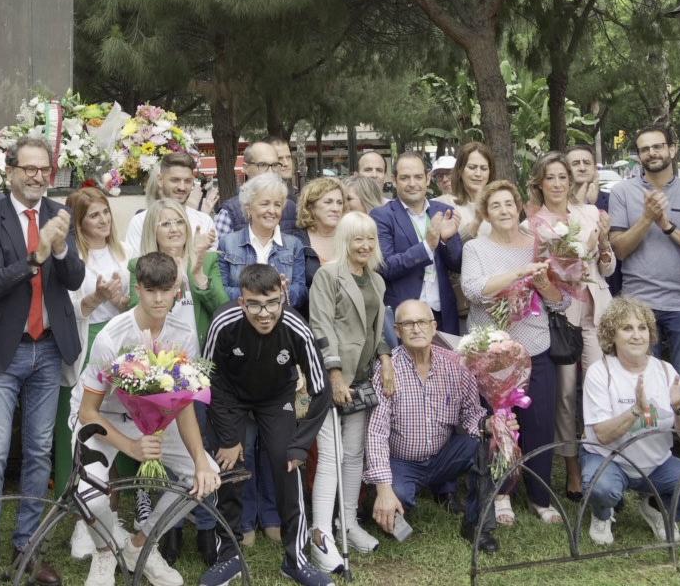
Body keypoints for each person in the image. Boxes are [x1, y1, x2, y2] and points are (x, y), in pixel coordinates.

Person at [0, 136, 85, 586]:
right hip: (3, 349)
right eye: (29, 169)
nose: (37, 177)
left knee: (38, 451)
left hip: (50, 349)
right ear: (10, 171)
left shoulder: (59, 215)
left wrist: (58, 249)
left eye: (44, 170)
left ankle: (28, 547)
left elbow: (73, 278)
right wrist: (37, 256)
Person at [77, 251, 221, 586]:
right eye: (150, 290)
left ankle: (139, 545)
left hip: (156, 422)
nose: (158, 298)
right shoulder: (113, 336)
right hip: (103, 420)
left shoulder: (184, 333)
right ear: (138, 289)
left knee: (204, 476)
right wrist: (130, 446)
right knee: (92, 496)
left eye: (165, 290)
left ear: (176, 290)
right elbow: (88, 412)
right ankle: (103, 551)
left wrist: (200, 459)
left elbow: (183, 404)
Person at [201, 264, 334, 586]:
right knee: (229, 470)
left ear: (283, 297)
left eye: (273, 302)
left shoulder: (295, 326)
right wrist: (229, 438)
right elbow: (206, 378)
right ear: (242, 302)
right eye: (255, 305)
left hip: (277, 399)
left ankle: (296, 560)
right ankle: (228, 556)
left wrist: (301, 443)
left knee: (288, 464)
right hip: (230, 396)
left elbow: (322, 390)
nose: (265, 313)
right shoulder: (223, 321)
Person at [460, 180, 567, 526]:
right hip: (493, 355)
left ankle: (539, 495)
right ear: (485, 213)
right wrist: (517, 274)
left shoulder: (540, 245)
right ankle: (502, 492)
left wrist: (542, 283)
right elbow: (474, 291)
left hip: (535, 347)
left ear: (519, 207)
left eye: (509, 204)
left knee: (539, 424)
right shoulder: (475, 248)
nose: (504, 211)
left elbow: (559, 300)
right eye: (496, 206)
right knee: (501, 426)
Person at [580, 298, 680, 546]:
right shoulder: (600, 372)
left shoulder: (666, 371)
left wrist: (678, 407)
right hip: (609, 459)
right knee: (601, 488)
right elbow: (602, 435)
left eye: (642, 328)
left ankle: (657, 508)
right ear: (611, 336)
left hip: (657, 464)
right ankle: (602, 514)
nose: (637, 335)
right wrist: (636, 410)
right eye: (627, 328)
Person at [606, 125, 680, 434]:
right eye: (644, 148)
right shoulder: (623, 193)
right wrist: (646, 218)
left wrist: (666, 225)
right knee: (641, 390)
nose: (652, 153)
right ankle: (649, 467)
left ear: (672, 149)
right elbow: (620, 249)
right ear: (638, 155)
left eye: (658, 146)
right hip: (638, 307)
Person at [364, 300, 492, 551]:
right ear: (397, 331)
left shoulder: (456, 364)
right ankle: (384, 502)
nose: (416, 329)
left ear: (434, 327)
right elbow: (376, 432)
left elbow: (471, 414)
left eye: (422, 322)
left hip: (443, 456)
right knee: (393, 500)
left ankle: (478, 526)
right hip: (402, 462)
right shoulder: (387, 370)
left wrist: (489, 424)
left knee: (486, 446)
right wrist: (383, 489)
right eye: (408, 324)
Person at [306, 212, 394, 571]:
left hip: (361, 379)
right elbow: (320, 325)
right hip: (332, 378)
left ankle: (350, 522)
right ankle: (321, 534)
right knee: (330, 456)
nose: (365, 245)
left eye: (370, 239)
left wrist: (386, 359)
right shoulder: (328, 276)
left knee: (355, 454)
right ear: (345, 240)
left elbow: (378, 328)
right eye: (357, 239)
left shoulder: (375, 280)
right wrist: (335, 375)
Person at [529, 150, 616, 502]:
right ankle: (573, 468)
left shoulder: (590, 213)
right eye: (550, 177)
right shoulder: (531, 224)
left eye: (562, 176)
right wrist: (583, 248)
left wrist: (605, 248)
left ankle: (601, 463)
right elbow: (542, 272)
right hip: (562, 314)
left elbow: (605, 267)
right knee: (565, 394)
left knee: (599, 387)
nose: (557, 183)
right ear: (540, 183)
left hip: (596, 310)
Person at [57, 188, 130, 502]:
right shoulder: (74, 260)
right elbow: (70, 308)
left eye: (105, 212)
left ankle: (119, 493)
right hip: (88, 341)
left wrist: (120, 301)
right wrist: (97, 298)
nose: (103, 220)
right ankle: (75, 493)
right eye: (93, 215)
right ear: (79, 223)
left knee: (121, 415)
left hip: (122, 341)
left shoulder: (125, 252)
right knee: (83, 418)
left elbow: (134, 304)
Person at [372, 151, 464, 334]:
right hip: (404, 317)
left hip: (442, 314)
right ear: (395, 179)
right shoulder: (382, 216)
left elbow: (458, 264)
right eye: (405, 178)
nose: (412, 184)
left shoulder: (444, 210)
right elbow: (385, 266)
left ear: (428, 178)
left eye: (418, 177)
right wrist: (427, 246)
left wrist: (446, 241)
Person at [129, 198, 230, 345]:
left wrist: (199, 276)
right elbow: (139, 318)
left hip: (200, 354)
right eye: (166, 224)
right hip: (159, 355)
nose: (175, 229)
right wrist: (174, 288)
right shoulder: (139, 265)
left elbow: (223, 311)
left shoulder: (207, 260)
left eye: (180, 222)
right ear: (152, 230)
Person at [216, 174, 307, 307]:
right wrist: (260, 293)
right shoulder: (228, 243)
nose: (272, 210)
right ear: (248, 208)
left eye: (277, 205)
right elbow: (221, 291)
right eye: (265, 204)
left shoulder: (294, 245)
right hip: (240, 321)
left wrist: (284, 292)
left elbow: (301, 291)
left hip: (281, 321)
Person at [123, 151, 216, 258]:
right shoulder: (140, 221)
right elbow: (137, 267)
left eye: (187, 181)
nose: (182, 187)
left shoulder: (204, 221)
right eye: (175, 180)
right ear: (160, 180)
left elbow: (209, 268)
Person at [566, 143, 619, 295]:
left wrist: (604, 244)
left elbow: (608, 270)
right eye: (575, 163)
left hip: (600, 295)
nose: (582, 167)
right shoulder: (556, 208)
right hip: (571, 297)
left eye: (587, 163)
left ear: (595, 169)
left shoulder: (603, 206)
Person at [213, 142, 298, 235]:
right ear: (246, 168)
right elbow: (218, 248)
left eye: (274, 165)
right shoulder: (229, 212)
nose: (270, 171)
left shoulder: (291, 208)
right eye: (262, 165)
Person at [442, 142, 494, 240]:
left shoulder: (498, 203)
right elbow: (447, 249)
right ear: (460, 170)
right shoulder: (444, 204)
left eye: (483, 168)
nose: (478, 174)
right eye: (472, 167)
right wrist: (476, 222)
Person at [295, 177, 346, 268]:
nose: (336, 209)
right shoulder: (297, 241)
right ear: (311, 206)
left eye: (339, 203)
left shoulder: (350, 237)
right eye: (328, 202)